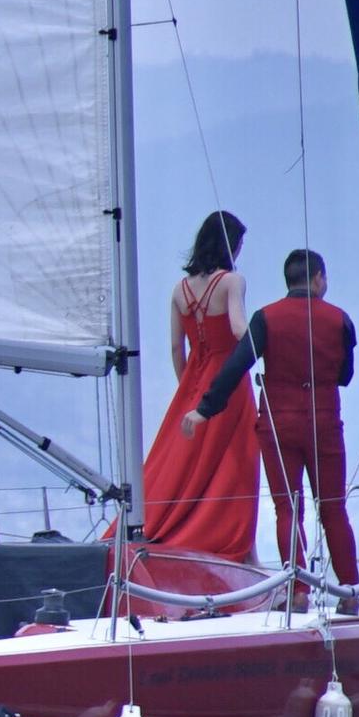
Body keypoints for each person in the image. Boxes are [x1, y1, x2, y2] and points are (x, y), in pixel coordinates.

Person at [182, 248, 359, 610]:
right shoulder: (340, 320)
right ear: (317, 278)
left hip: (278, 424)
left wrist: (205, 409)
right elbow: (345, 376)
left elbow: (236, 366)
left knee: (287, 508)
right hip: (324, 421)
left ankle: (298, 592)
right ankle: (350, 593)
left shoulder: (266, 318)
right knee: (333, 508)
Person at [128, 210, 259, 560]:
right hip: (230, 380)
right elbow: (236, 328)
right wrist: (262, 346)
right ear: (229, 244)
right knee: (237, 464)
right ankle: (244, 550)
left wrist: (188, 388)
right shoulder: (232, 281)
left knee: (180, 464)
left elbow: (175, 346)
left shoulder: (179, 290)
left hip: (192, 381)